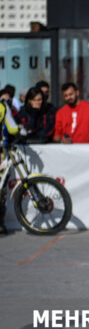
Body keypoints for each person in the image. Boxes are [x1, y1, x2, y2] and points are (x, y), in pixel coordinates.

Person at [53, 82, 89, 148]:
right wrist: (62, 140)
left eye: (71, 94)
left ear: (77, 93)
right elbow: (57, 134)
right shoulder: (60, 112)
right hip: (67, 151)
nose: (68, 97)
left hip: (86, 150)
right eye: (66, 96)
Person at [0, 96, 19, 235]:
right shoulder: (3, 106)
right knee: (2, 190)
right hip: (1, 153)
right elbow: (12, 129)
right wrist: (22, 130)